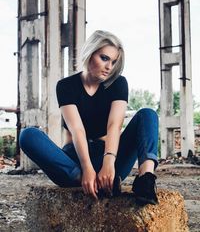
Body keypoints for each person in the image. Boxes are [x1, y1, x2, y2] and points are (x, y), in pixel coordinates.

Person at [19, 30, 159, 205]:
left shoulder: (118, 84)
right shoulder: (66, 86)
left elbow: (114, 126)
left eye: (114, 62)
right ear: (90, 52)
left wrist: (109, 163)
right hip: (73, 161)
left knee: (148, 114)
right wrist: (86, 169)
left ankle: (145, 180)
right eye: (104, 58)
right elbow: (77, 130)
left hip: (110, 155)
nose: (110, 67)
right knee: (28, 135)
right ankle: (84, 180)